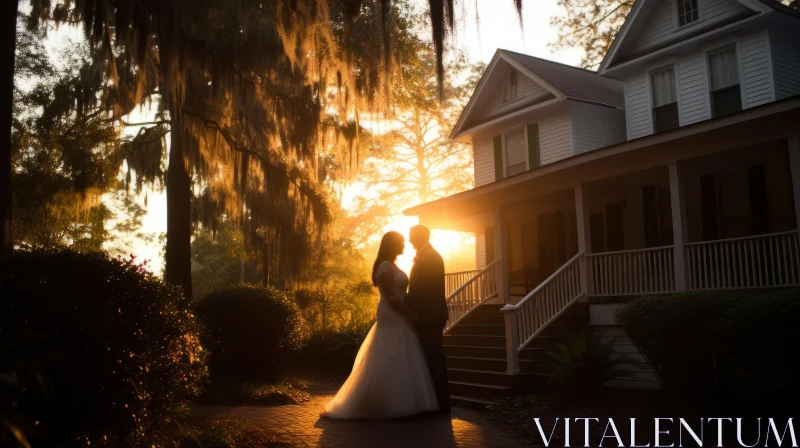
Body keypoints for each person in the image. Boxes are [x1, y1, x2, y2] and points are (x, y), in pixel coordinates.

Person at [321, 231, 438, 420]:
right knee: (388, 352)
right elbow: (391, 298)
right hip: (392, 314)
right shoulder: (384, 267)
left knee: (403, 353)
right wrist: (411, 315)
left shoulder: (393, 265)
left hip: (400, 313)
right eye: (400, 242)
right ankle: (383, 403)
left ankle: (405, 400)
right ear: (392, 245)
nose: (404, 244)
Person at [405, 224, 451, 414]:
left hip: (430, 316)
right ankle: (435, 402)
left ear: (420, 236)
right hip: (429, 315)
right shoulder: (427, 255)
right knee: (430, 358)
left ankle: (441, 403)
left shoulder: (429, 257)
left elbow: (423, 290)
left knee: (433, 358)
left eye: (411, 236)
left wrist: (401, 299)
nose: (409, 240)